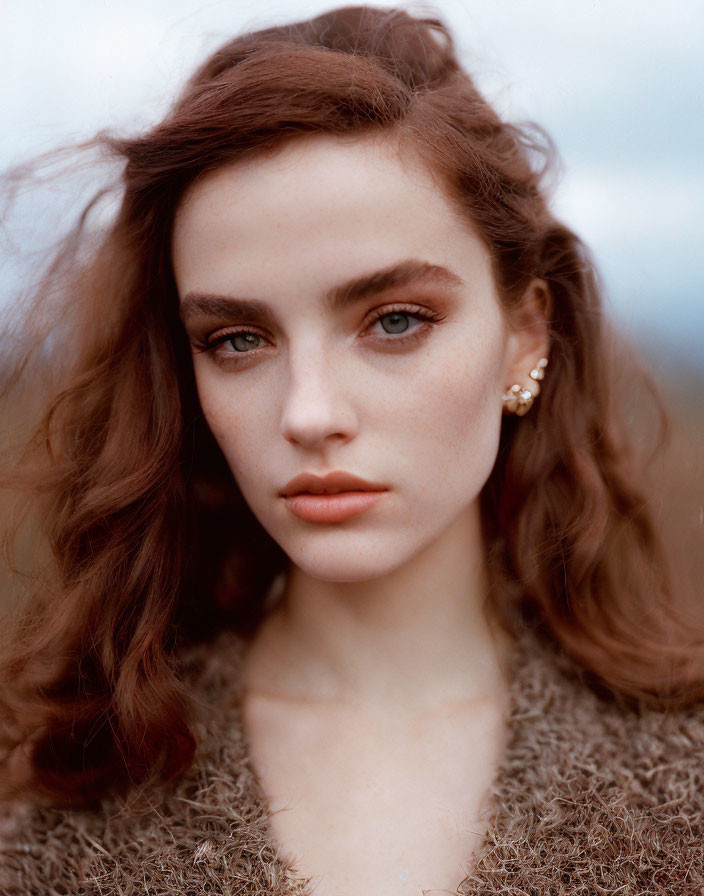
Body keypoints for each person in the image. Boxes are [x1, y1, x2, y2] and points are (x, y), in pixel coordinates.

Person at [0, 5, 702, 894]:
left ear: (526, 335)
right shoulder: (69, 800)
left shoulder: (684, 777)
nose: (309, 413)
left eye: (395, 320)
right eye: (237, 340)